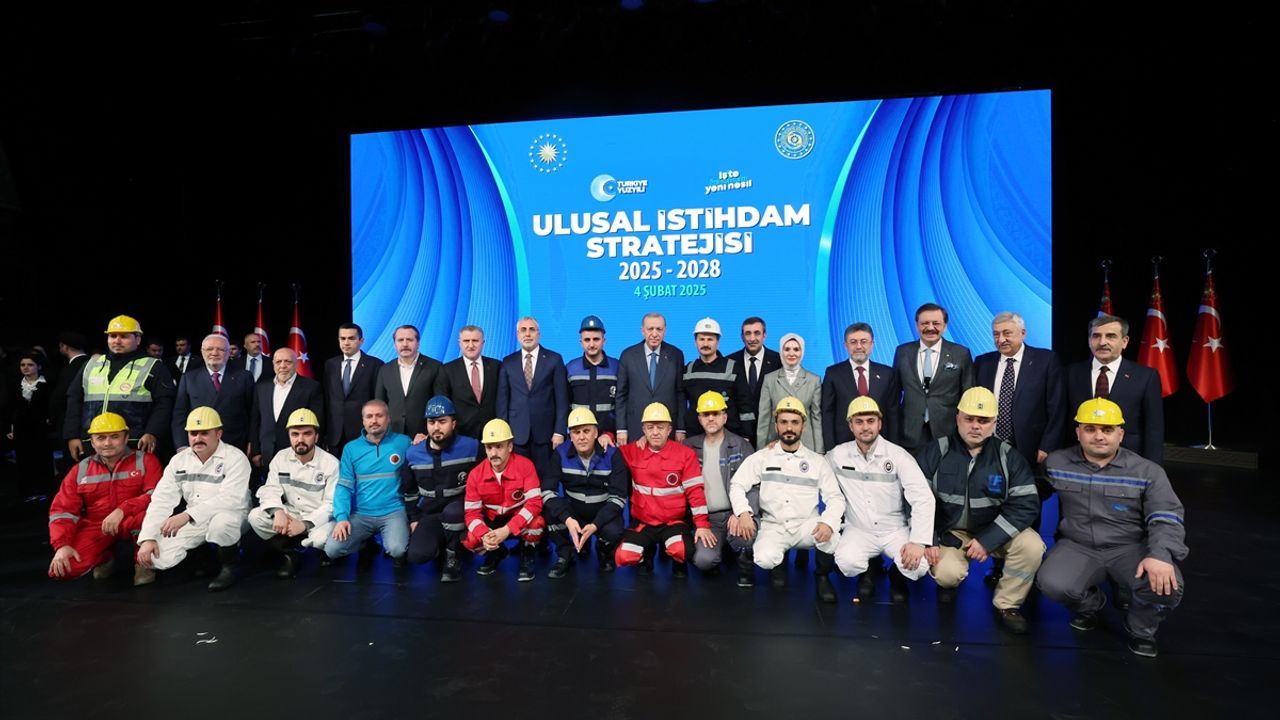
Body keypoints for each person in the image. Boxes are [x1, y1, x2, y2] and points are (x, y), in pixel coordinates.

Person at [1038, 398, 1187, 658]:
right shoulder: (1056, 463)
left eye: (1107, 430)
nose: (1099, 436)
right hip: (1078, 546)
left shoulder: (1147, 472)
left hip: (1130, 548)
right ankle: (1091, 604)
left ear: (1120, 434)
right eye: (1090, 429)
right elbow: (1029, 494)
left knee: (1166, 586)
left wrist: (1161, 554)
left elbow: (1166, 515)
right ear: (1078, 432)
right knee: (1052, 584)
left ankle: (1141, 628)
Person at [915, 387, 1044, 634]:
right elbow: (916, 500)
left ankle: (1007, 604)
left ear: (994, 423)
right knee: (947, 575)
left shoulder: (1009, 457)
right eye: (969, 419)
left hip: (993, 530)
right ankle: (950, 584)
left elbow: (1026, 504)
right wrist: (929, 539)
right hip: (951, 533)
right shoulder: (936, 451)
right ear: (958, 418)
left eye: (983, 421)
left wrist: (988, 540)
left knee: (1032, 546)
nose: (976, 426)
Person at [974, 311, 1066, 586]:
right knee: (994, 503)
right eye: (996, 334)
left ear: (1022, 334)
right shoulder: (983, 362)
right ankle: (998, 563)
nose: (1001, 339)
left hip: (1029, 449)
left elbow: (1057, 405)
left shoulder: (1045, 360)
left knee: (1028, 504)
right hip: (992, 449)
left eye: (1007, 333)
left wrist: (1047, 444)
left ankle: (1028, 564)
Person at [729, 397, 844, 602]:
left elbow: (835, 497)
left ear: (803, 426)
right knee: (764, 559)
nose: (789, 427)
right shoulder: (762, 457)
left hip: (806, 526)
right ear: (776, 426)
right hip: (774, 525)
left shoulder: (817, 461)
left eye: (794, 422)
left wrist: (828, 522)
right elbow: (737, 484)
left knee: (832, 537)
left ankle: (822, 577)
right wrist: (743, 512)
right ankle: (778, 564)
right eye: (783, 422)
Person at [828, 397, 935, 603]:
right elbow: (815, 468)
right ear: (850, 426)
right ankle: (867, 571)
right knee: (847, 562)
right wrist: (776, 449)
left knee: (919, 566)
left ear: (880, 423)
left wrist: (918, 541)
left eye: (871, 421)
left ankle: (896, 576)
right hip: (858, 529)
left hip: (894, 530)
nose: (865, 427)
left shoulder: (898, 456)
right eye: (859, 422)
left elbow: (923, 498)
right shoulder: (838, 455)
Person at [136, 407, 252, 591]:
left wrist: (186, 516)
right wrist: (148, 538)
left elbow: (231, 499)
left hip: (231, 513)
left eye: (204, 433)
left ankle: (229, 566)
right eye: (193, 433)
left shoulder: (235, 458)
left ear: (218, 434)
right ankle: (206, 554)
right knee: (156, 558)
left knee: (221, 524)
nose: (198, 438)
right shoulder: (179, 461)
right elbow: (161, 500)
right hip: (194, 517)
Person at [47, 412, 162, 585]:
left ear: (126, 438)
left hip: (134, 518)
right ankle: (103, 556)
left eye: (114, 437)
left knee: (147, 517)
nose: (107, 443)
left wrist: (123, 509)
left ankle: (143, 562)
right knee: (63, 569)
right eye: (100, 438)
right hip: (97, 525)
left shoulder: (146, 461)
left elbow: (156, 497)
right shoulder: (80, 470)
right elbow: (63, 511)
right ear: (92, 442)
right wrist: (62, 545)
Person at [616, 402, 712, 577]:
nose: (655, 432)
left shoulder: (685, 454)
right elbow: (608, 453)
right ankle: (646, 555)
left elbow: (695, 492)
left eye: (660, 427)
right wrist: (606, 435)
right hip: (643, 523)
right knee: (624, 556)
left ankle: (678, 562)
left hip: (672, 522)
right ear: (643, 430)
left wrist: (702, 525)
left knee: (682, 550)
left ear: (669, 430)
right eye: (650, 427)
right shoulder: (632, 451)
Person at [64, 315, 176, 461]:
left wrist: (153, 432)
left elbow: (164, 404)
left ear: (138, 339)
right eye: (113, 336)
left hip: (136, 444)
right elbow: (74, 401)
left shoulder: (154, 366)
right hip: (93, 443)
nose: (117, 341)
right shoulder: (91, 365)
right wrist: (72, 436)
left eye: (124, 336)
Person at [247, 408, 339, 578]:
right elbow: (270, 489)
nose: (300, 439)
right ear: (289, 436)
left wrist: (305, 524)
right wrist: (278, 511)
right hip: (292, 512)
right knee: (255, 516)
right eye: (295, 434)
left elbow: (331, 505)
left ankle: (321, 551)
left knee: (321, 539)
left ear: (316, 437)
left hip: (319, 519)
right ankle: (290, 552)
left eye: (307, 434)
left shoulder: (331, 464)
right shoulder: (280, 457)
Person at [540, 407, 629, 578]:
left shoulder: (612, 454)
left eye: (586, 431)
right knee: (550, 513)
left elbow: (618, 498)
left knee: (614, 530)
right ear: (570, 436)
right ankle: (565, 554)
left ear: (596, 433)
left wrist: (596, 525)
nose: (581, 437)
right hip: (574, 512)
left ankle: (603, 549)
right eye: (576, 432)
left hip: (602, 512)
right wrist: (567, 519)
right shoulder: (560, 453)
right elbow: (548, 491)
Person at [402, 396, 483, 581]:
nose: (436, 427)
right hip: (430, 514)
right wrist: (414, 519)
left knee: (453, 512)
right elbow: (410, 491)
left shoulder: (471, 447)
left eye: (442, 421)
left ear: (453, 423)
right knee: (417, 555)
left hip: (462, 513)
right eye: (431, 422)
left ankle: (454, 553)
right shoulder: (413, 453)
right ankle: (442, 545)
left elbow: (484, 482)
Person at [1066, 314, 1164, 464]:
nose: (1102, 342)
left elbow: (1154, 428)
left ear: (1124, 341)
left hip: (1129, 462)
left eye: (1110, 336)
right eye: (1096, 336)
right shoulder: (1070, 373)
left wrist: (1152, 467)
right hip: (1077, 460)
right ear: (1089, 341)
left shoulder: (1146, 376)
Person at [325, 400, 412, 568]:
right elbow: (344, 487)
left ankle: (393, 543)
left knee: (397, 550)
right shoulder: (351, 449)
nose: (374, 420)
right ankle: (364, 543)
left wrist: (422, 441)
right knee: (332, 550)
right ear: (363, 420)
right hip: (361, 514)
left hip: (393, 512)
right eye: (369, 416)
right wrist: (341, 518)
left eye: (379, 416)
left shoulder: (404, 443)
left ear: (388, 418)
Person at [684, 391, 756, 585]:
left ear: (725, 417)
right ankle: (718, 554)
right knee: (703, 560)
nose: (711, 418)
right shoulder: (688, 447)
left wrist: (742, 512)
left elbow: (755, 486)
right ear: (699, 419)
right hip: (707, 519)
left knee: (745, 537)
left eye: (715, 414)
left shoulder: (741, 446)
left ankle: (745, 565)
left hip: (734, 514)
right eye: (706, 414)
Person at [462, 419, 546, 581]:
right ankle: (495, 552)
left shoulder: (526, 466)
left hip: (518, 519)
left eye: (499, 446)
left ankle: (527, 553)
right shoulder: (475, 475)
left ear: (510, 446)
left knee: (537, 524)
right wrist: (484, 535)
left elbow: (535, 504)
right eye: (489, 447)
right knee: (470, 539)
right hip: (492, 521)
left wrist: (507, 529)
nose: (493, 453)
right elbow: (471, 513)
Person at [892, 304, 974, 454]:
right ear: (917, 325)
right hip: (909, 433)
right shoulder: (903, 352)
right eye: (925, 323)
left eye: (936, 323)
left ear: (945, 326)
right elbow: (894, 395)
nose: (930, 328)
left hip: (948, 434)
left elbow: (968, 396)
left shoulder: (961, 353)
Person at [496, 316, 568, 483]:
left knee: (546, 481)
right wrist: (504, 435)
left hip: (546, 436)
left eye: (532, 330)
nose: (527, 334)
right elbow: (502, 402)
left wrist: (559, 431)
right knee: (518, 481)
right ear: (517, 335)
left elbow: (562, 400)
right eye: (523, 330)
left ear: (539, 334)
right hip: (516, 436)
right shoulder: (508, 362)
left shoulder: (554, 359)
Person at [821, 322, 900, 449]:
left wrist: (894, 447)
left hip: (880, 445)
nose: (858, 346)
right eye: (853, 342)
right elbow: (827, 413)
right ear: (845, 345)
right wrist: (830, 449)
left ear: (872, 344)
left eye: (864, 341)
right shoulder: (833, 373)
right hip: (844, 445)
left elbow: (893, 414)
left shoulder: (887, 373)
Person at [171, 334, 254, 453]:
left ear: (228, 353)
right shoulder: (189, 378)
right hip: (199, 446)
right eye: (209, 349)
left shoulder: (244, 377)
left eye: (220, 349)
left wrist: (252, 442)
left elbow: (253, 414)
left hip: (235, 446)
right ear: (202, 352)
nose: (214, 353)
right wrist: (182, 445)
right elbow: (180, 415)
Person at [615, 312, 685, 445]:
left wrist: (681, 428)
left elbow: (680, 394)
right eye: (650, 329)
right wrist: (621, 429)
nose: (654, 334)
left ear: (665, 331)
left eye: (659, 329)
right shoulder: (628, 355)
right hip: (635, 427)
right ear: (642, 330)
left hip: (667, 429)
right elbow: (621, 395)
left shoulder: (676, 355)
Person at [250, 348, 324, 469]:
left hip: (297, 452)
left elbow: (317, 422)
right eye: (278, 362)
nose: (282, 366)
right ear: (273, 364)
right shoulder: (261, 387)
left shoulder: (311, 387)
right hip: (266, 453)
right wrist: (255, 450)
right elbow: (255, 421)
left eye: (287, 362)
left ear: (296, 364)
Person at [680, 317, 750, 439]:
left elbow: (745, 405)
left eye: (710, 339)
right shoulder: (688, 370)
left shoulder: (733, 368)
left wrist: (746, 435)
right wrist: (681, 429)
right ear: (695, 342)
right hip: (695, 437)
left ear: (718, 341)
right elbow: (681, 404)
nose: (705, 344)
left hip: (729, 439)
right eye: (701, 339)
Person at [323, 322, 384, 455]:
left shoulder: (375, 364)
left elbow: (378, 400)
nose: (346, 343)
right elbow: (328, 399)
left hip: (363, 433)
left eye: (351, 338)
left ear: (361, 341)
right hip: (335, 436)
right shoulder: (330, 365)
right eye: (343, 338)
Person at [757, 333, 823, 452]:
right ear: (781, 352)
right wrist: (761, 450)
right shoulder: (769, 379)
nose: (791, 353)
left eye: (796, 349)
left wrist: (819, 451)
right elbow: (764, 417)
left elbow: (816, 418)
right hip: (775, 443)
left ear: (802, 352)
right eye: (787, 349)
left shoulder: (814, 380)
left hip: (806, 444)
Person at [375, 324, 442, 439]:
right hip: (392, 436)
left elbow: (439, 403)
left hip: (424, 435)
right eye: (400, 340)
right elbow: (380, 404)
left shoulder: (435, 367)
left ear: (418, 343)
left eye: (409, 340)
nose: (405, 344)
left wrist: (431, 432)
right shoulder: (385, 369)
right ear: (395, 344)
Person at [433, 325, 500, 440]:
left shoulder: (497, 366)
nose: (471, 345)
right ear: (460, 343)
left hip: (493, 434)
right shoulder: (447, 370)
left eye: (475, 341)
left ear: (483, 343)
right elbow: (443, 405)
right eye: (466, 341)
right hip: (460, 436)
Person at [726, 316, 781, 447]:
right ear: (742, 336)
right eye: (748, 333)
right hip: (737, 434)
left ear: (764, 335)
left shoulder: (778, 361)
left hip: (770, 435)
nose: (752, 338)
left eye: (757, 333)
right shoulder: (729, 362)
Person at [564, 315, 619, 444]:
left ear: (604, 341)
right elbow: (564, 405)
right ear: (581, 342)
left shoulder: (617, 367)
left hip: (608, 438)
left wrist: (611, 434)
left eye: (596, 339)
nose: (592, 344)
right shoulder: (570, 368)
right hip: (579, 438)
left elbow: (621, 405)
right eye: (587, 340)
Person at [8, 352, 53, 500]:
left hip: (40, 429)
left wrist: (49, 420)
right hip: (21, 429)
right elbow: (10, 408)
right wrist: (11, 427)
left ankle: (43, 491)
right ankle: (27, 492)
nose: (25, 367)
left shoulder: (47, 384)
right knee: (23, 460)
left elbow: (51, 406)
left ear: (38, 366)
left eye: (30, 364)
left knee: (41, 460)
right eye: (23, 365)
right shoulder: (15, 384)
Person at [48, 332, 88, 479]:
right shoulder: (94, 364)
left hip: (70, 422)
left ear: (64, 347)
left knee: (73, 465)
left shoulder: (69, 369)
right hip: (91, 420)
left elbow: (60, 397)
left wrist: (51, 417)